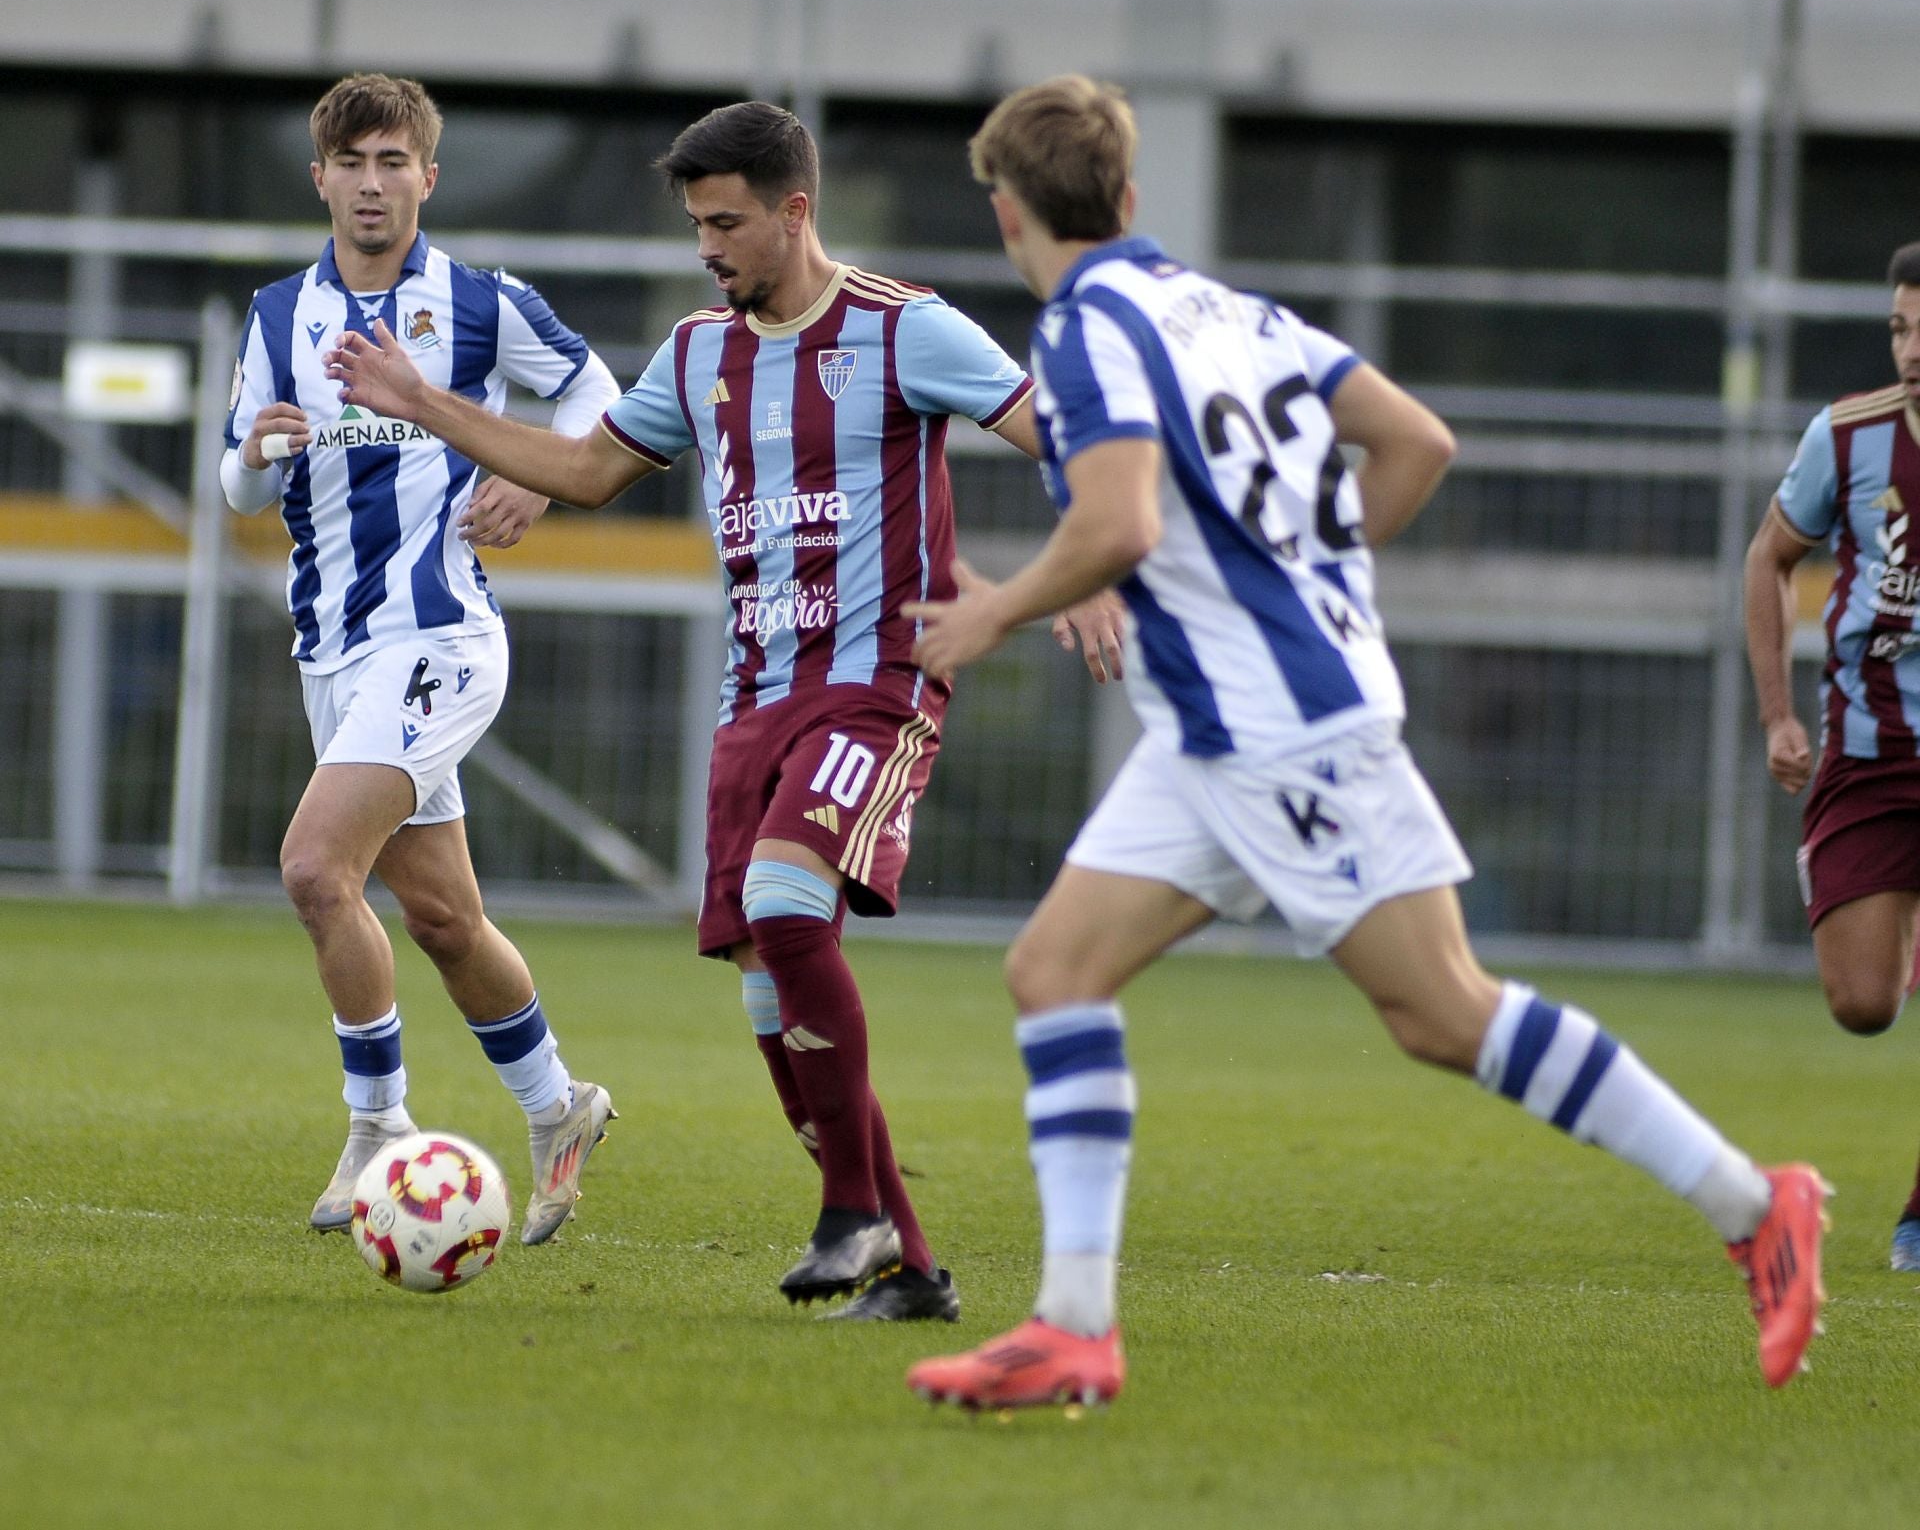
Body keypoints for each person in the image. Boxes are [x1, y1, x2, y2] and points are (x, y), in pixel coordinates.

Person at [900, 73, 1829, 1410]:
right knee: (1053, 970)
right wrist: (1308, 576)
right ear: (1130, 196)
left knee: (1443, 1012)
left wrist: (996, 610)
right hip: (1214, 733)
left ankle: (1758, 1203)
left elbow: (1119, 527)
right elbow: (1416, 440)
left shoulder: (1084, 330)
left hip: (1279, 732)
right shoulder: (1226, 307)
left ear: (1004, 215)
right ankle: (1072, 1326)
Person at [323, 100, 1124, 1321]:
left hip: (875, 687)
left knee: (787, 908)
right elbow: (589, 471)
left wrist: (1089, 572)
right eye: (698, 224)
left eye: (726, 224)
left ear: (795, 211)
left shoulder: (908, 331)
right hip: (754, 704)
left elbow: (1053, 434)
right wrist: (428, 405)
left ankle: (852, 1213)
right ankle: (910, 1266)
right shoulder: (700, 353)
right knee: (767, 985)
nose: (708, 246)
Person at [221, 73, 619, 1247]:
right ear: (322, 179)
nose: (373, 182)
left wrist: (535, 474)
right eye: (353, 162)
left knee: (311, 868)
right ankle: (560, 1107)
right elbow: (236, 484)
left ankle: (381, 1123)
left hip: (443, 637)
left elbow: (603, 391)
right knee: (442, 916)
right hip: (334, 653)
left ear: (427, 179)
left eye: (396, 162)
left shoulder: (480, 301)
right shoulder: (279, 313)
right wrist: (254, 452)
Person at [1744, 240, 1920, 1271]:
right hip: (1864, 745)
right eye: (1901, 328)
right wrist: (1777, 716)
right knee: (1861, 1003)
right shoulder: (1844, 437)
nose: (1911, 350)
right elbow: (1769, 557)